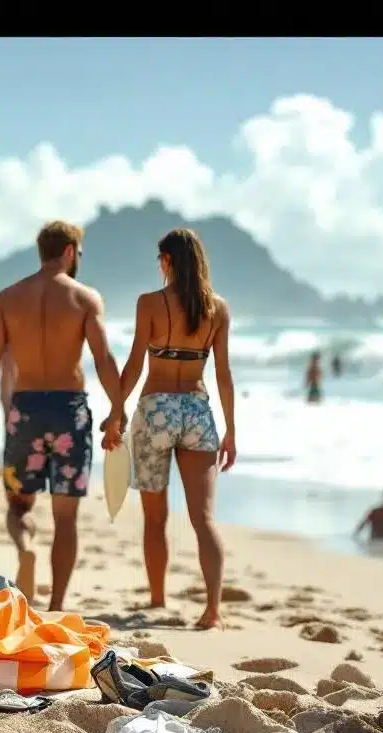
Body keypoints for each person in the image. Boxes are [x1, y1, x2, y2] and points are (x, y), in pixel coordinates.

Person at [0, 220, 123, 612]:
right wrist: (118, 408)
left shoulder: (9, 298)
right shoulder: (85, 299)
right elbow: (104, 359)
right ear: (71, 252)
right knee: (65, 517)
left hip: (24, 410)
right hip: (68, 412)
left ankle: (25, 547)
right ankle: (56, 604)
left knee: (19, 504)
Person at [111, 227, 234, 630]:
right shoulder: (217, 308)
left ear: (166, 260)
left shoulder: (150, 303)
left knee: (155, 517)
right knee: (204, 518)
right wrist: (230, 430)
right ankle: (213, 610)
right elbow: (224, 374)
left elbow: (134, 364)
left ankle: (159, 597)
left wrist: (116, 410)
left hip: (156, 409)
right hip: (198, 410)